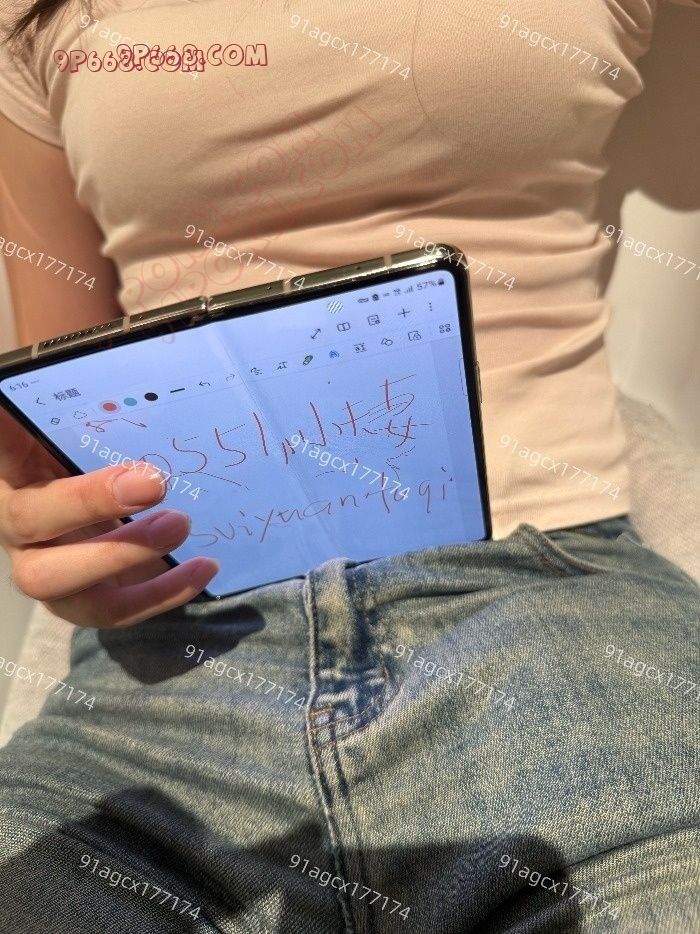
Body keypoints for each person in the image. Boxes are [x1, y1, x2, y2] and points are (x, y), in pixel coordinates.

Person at [0, 1, 697, 931]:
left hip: (559, 618)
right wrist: (61, 530)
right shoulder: (34, 18)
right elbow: (62, 398)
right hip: (177, 648)